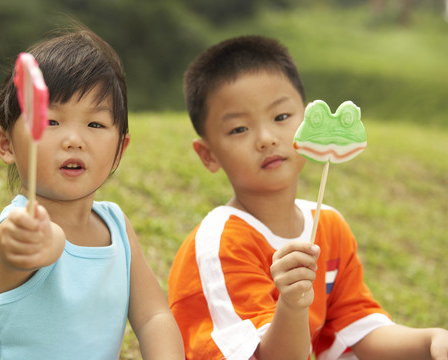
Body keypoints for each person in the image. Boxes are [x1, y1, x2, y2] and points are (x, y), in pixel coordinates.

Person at [167, 35, 448, 360]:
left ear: (308, 117)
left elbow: (359, 329)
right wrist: (292, 304)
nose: (267, 139)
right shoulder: (221, 245)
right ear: (208, 155)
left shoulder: (329, 226)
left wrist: (431, 341)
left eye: (282, 117)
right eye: (239, 129)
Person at [0, 25, 184, 360]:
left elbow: (154, 316)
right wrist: (31, 242)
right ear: (6, 144)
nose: (73, 140)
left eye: (95, 124)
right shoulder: (17, 227)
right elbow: (15, 256)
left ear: (119, 152)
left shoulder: (116, 226)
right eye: (51, 121)